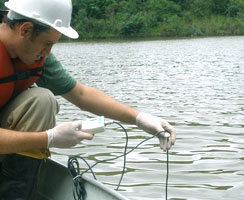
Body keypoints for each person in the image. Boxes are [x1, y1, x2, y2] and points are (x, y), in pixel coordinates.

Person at [0, 0, 176, 199]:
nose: (47, 52)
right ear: (26, 30)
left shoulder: (33, 55)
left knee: (42, 100)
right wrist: (49, 138)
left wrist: (140, 118)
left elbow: (81, 94)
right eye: (47, 43)